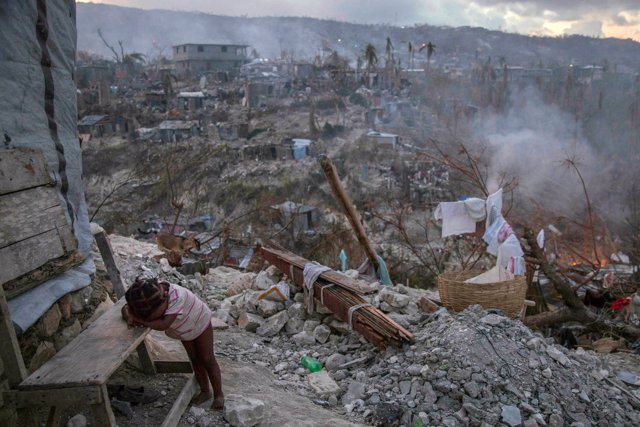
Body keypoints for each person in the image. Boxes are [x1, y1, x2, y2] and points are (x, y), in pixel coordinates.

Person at [121, 277, 224, 409]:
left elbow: (163, 324)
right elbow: (126, 308)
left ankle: (219, 395)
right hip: (183, 329)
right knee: (195, 360)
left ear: (165, 298)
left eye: (151, 315)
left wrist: (139, 320)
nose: (147, 317)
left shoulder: (176, 297)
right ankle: (205, 391)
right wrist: (130, 315)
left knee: (207, 359)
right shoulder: (149, 296)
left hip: (199, 321)